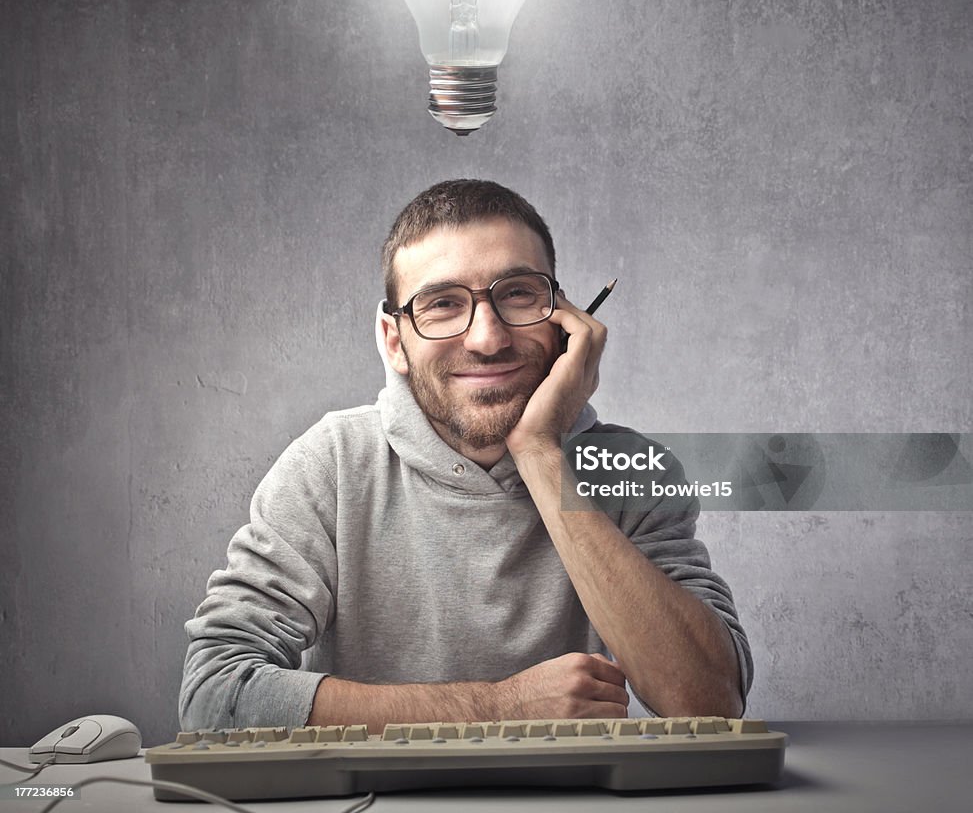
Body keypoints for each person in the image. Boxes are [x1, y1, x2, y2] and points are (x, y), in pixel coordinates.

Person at [179, 179, 751, 733]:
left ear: (565, 321)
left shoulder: (631, 469)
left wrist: (540, 453)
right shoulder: (329, 465)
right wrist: (498, 709)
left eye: (518, 293)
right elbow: (215, 697)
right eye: (443, 304)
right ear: (394, 340)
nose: (487, 338)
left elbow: (709, 702)